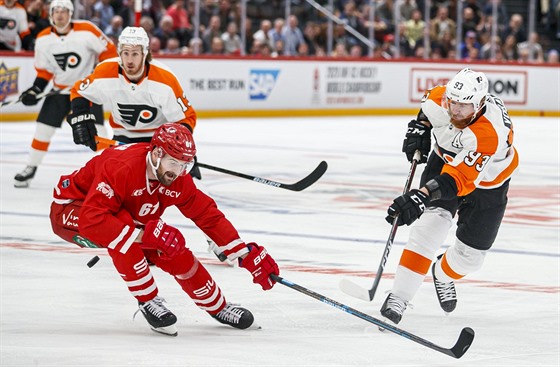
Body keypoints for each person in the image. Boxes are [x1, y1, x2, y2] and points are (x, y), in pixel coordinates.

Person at [49, 123, 280, 336]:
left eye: (184, 165)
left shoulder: (176, 177)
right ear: (157, 154)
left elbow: (206, 214)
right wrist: (143, 235)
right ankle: (147, 300)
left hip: (120, 214)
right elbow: (93, 220)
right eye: (174, 163)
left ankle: (218, 307)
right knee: (124, 230)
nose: (178, 172)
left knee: (174, 248)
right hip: (72, 212)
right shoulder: (121, 168)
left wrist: (243, 252)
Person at [380, 68, 519, 324]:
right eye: (452, 103)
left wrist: (420, 196)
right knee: (428, 229)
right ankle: (398, 297)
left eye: (463, 107)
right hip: (445, 163)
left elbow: (458, 180)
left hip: (488, 183)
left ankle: (443, 274)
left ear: (478, 105)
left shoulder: (488, 133)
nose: (454, 111)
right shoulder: (440, 99)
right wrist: (420, 127)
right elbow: (428, 111)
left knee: (470, 259)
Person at [67, 26, 202, 180]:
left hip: (159, 142)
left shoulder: (165, 80)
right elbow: (79, 91)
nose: (129, 60)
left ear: (144, 54)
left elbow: (186, 118)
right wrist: (81, 118)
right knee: (114, 184)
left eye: (135, 54)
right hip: (122, 138)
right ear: (119, 53)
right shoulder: (105, 72)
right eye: (125, 53)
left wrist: (180, 146)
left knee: (175, 189)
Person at [13, 0, 117, 188]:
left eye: (64, 11)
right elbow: (45, 72)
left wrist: (97, 73)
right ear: (50, 14)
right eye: (56, 11)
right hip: (59, 91)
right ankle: (31, 167)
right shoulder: (43, 39)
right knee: (42, 130)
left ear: (70, 14)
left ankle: (110, 173)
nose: (60, 15)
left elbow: (109, 52)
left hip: (86, 92)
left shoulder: (87, 30)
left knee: (98, 133)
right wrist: (35, 90)